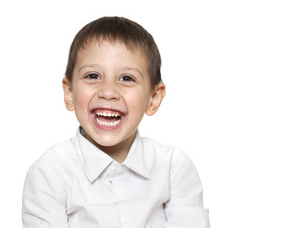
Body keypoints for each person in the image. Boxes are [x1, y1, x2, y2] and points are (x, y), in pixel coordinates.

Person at [22, 16, 210, 228]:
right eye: (93, 76)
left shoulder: (173, 167)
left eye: (126, 78)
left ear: (153, 98)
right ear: (69, 92)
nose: (108, 92)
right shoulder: (50, 172)